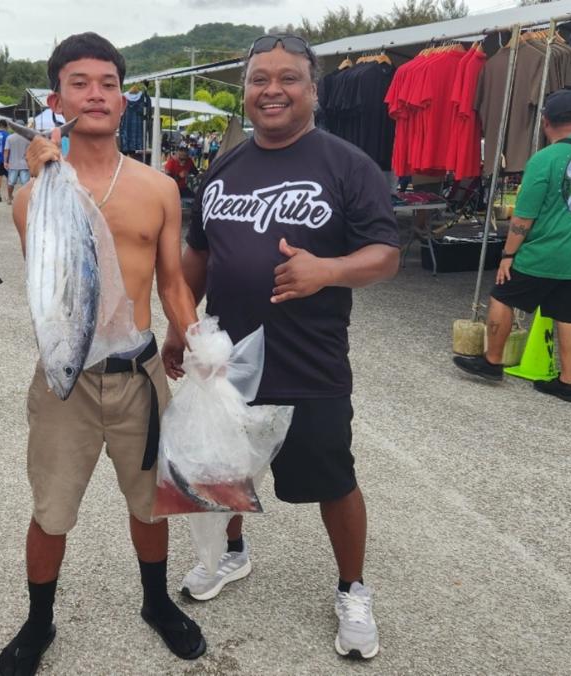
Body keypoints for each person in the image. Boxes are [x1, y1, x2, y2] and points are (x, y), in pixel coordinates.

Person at [163, 33, 400, 660]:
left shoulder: (349, 165)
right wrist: (176, 325)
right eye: (259, 78)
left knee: (334, 479)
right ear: (244, 90)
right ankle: (231, 555)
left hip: (310, 361)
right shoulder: (224, 166)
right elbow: (198, 254)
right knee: (223, 469)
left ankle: (352, 589)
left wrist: (327, 270)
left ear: (314, 89)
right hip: (227, 359)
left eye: (288, 77)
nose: (272, 89)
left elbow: (386, 255)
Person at [0, 32, 204, 676]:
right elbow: (55, 289)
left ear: (124, 97)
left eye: (108, 83)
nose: (96, 94)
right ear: (57, 98)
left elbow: (171, 281)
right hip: (68, 380)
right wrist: (40, 174)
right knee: (52, 510)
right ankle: (38, 623)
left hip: (140, 373)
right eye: (80, 83)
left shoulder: (159, 188)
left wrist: (194, 340)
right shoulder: (34, 197)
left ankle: (155, 603)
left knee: (150, 503)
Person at [453, 89, 571, 403]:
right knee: (567, 315)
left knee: (502, 294)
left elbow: (524, 217)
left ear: (545, 121)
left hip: (545, 252)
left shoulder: (544, 159)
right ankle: (567, 383)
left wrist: (508, 254)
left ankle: (492, 362)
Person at [2, 119, 31, 205]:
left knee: (11, 183)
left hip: (13, 164)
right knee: (25, 184)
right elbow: (30, 151)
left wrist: (5, 161)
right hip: (25, 165)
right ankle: (25, 200)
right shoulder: (28, 138)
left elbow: (6, 150)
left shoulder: (10, 138)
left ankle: (10, 198)